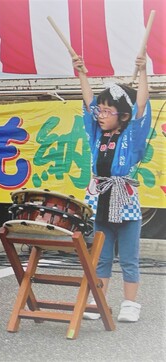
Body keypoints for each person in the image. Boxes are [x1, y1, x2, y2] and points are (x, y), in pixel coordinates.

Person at [77, 55, 150, 323]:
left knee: (129, 257)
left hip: (125, 201)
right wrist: (82, 73)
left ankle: (130, 303)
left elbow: (141, 103)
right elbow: (88, 103)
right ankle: (99, 301)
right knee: (101, 256)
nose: (101, 115)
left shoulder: (132, 134)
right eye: (101, 111)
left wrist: (143, 72)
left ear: (124, 116)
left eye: (108, 112)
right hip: (100, 199)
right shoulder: (97, 134)